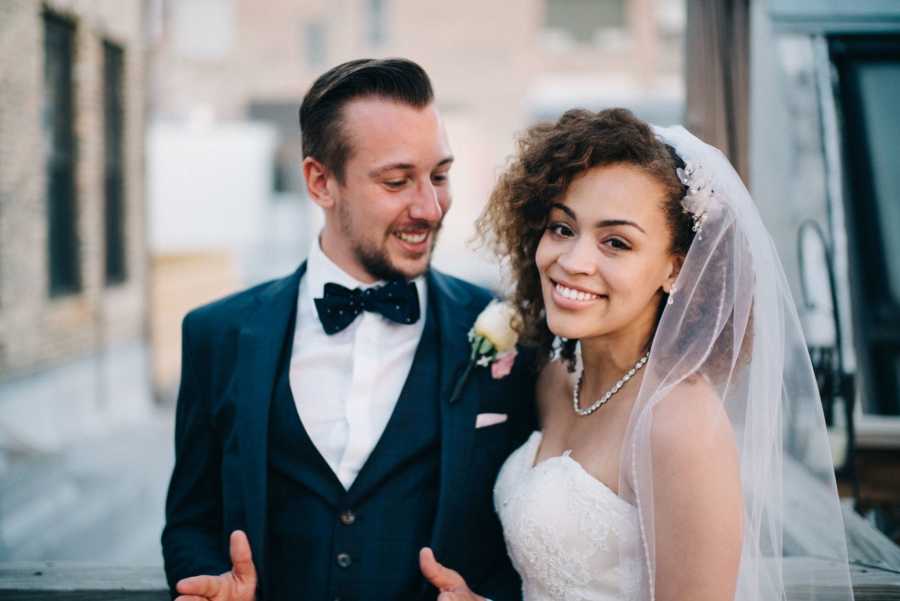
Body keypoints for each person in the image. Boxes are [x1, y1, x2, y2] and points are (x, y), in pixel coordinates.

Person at [420, 109, 854, 600]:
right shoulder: (556, 380)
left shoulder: (679, 424)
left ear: (676, 269)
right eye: (562, 228)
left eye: (616, 242)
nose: (573, 262)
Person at [161, 58, 535, 601]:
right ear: (321, 182)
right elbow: (190, 521)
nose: (430, 207)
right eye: (397, 181)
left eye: (440, 175)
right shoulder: (215, 335)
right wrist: (206, 578)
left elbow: (526, 533)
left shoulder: (508, 330)